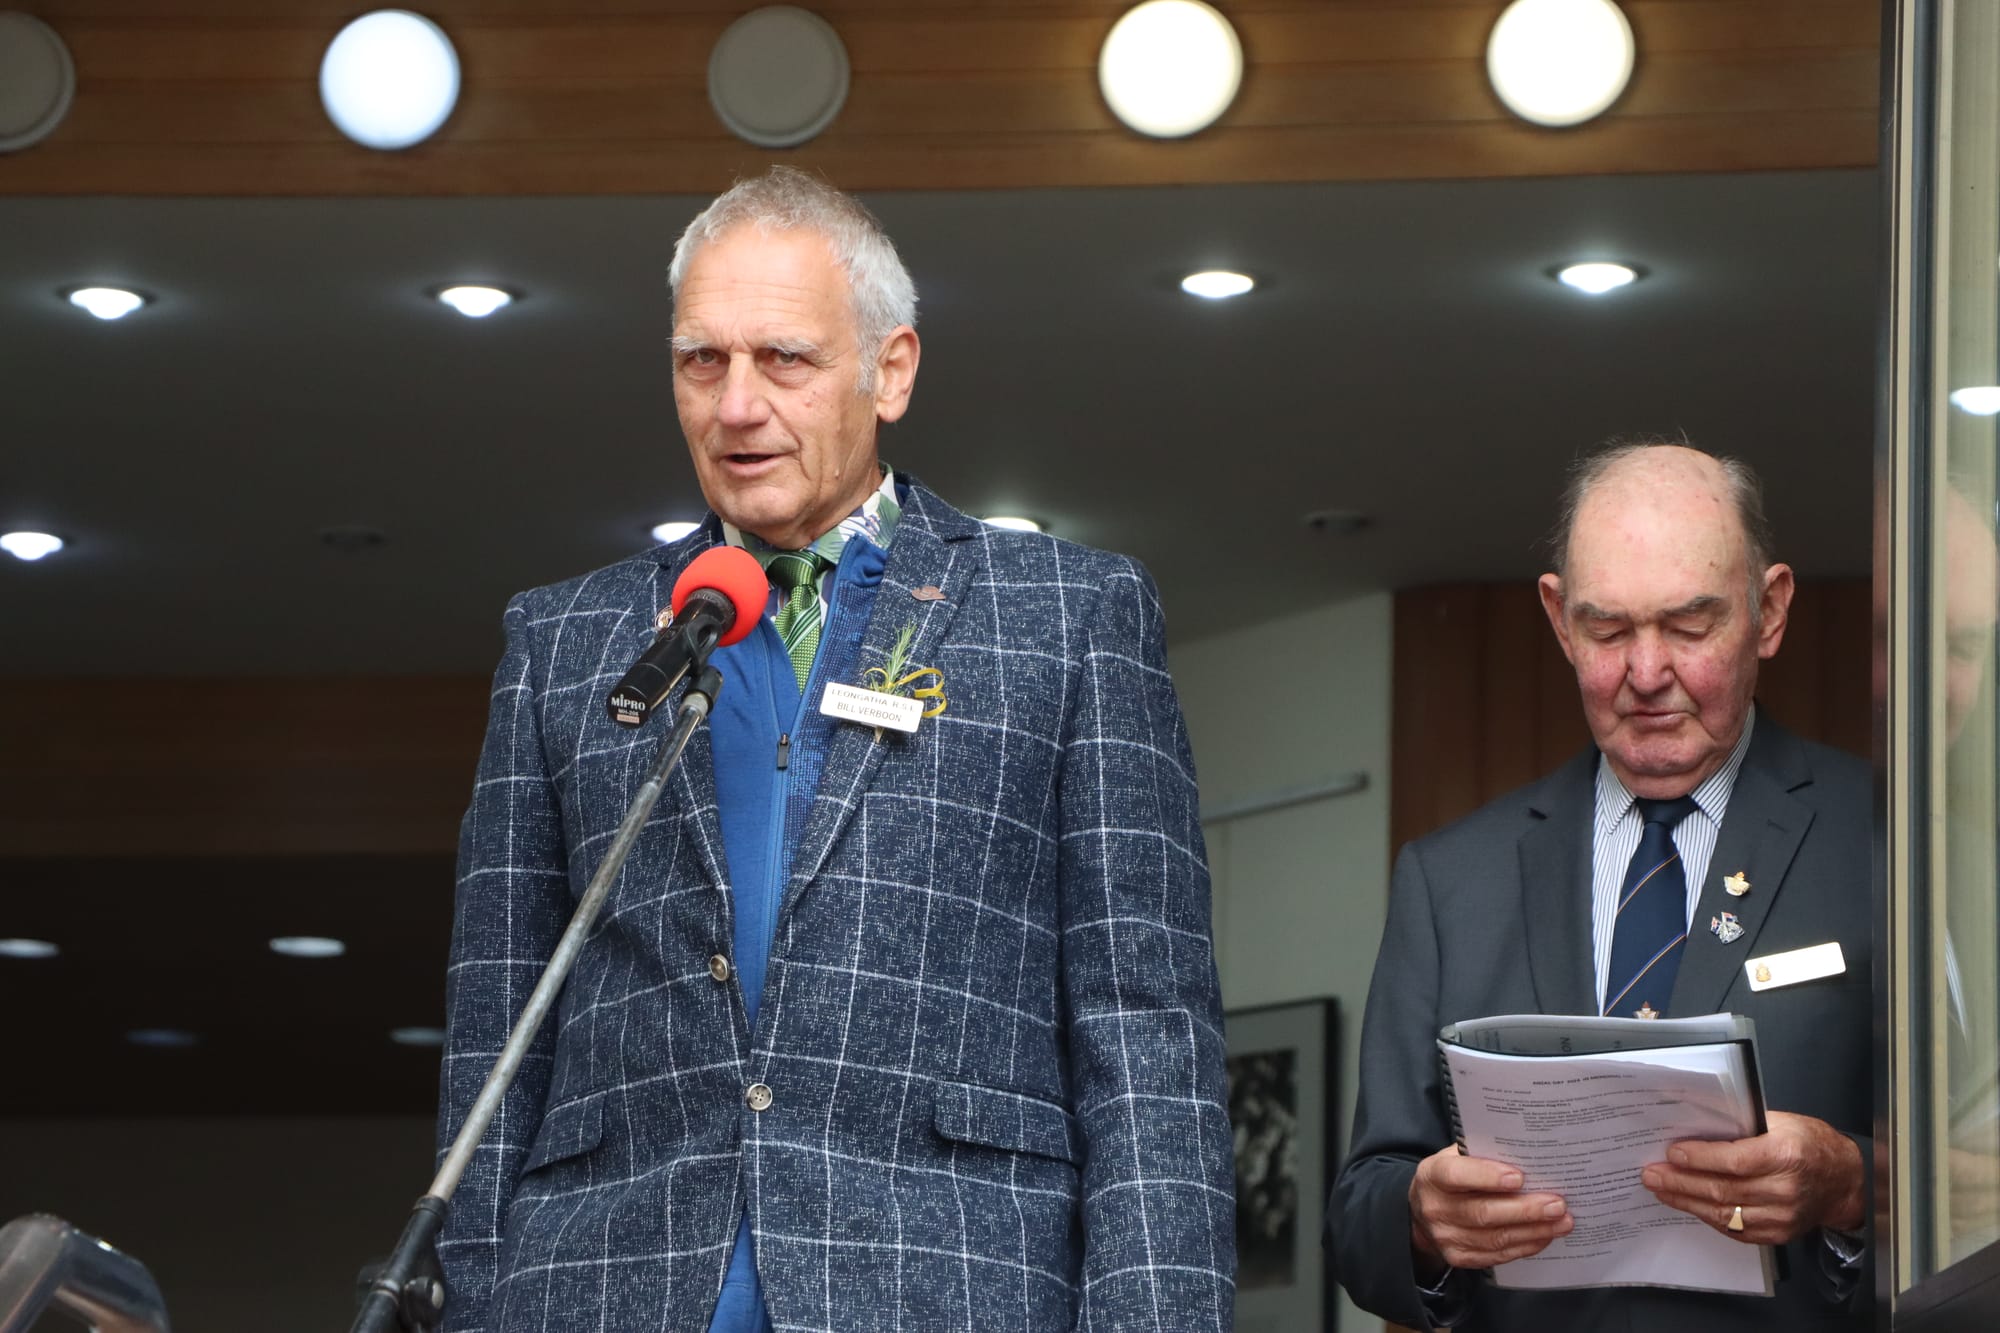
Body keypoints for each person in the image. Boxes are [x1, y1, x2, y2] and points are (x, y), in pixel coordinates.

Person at [433, 166, 1236, 1333]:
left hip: (952, 1284)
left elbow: (1144, 1032)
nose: (735, 405)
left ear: (889, 369)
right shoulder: (562, 641)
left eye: (784, 359)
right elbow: (495, 1030)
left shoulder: (1067, 617)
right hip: (603, 1289)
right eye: (701, 360)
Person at [1329, 441, 1871, 1331]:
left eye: (1690, 627)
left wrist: (1852, 1184)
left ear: (1769, 612)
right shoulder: (1451, 878)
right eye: (1609, 630)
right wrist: (1422, 1217)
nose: (1646, 673)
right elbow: (1359, 1219)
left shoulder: (1887, 841)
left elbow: (1976, 1181)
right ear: (1559, 619)